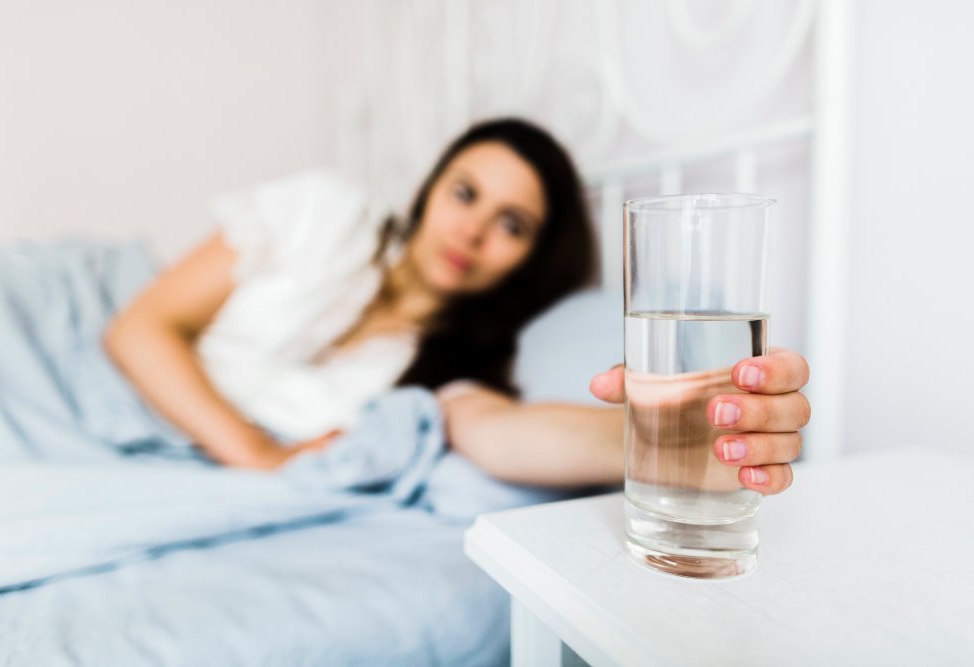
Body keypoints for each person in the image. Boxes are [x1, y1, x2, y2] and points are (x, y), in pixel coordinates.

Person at [105, 118, 810, 495]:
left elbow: (507, 436)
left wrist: (706, 444)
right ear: (431, 187)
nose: (472, 231)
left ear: (530, 262)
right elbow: (138, 329)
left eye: (512, 225)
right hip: (114, 396)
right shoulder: (327, 211)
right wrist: (258, 453)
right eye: (466, 192)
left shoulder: (450, 370)